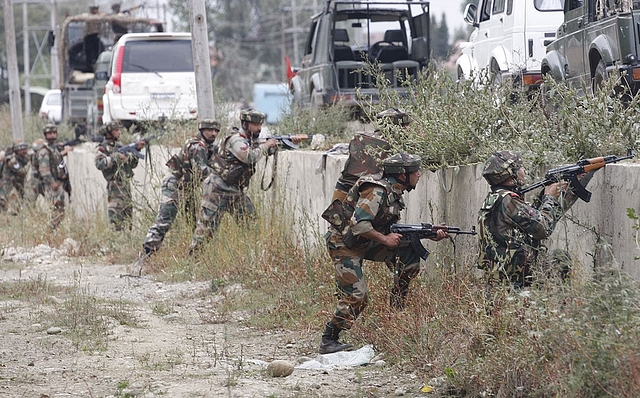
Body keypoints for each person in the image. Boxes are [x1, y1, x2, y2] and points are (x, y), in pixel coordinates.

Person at [318, 153, 448, 354]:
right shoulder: (376, 191)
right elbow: (358, 224)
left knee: (410, 253)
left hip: (365, 241)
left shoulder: (393, 192)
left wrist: (428, 233)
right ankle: (329, 338)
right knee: (358, 296)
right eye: (416, 171)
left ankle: (396, 309)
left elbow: (389, 227)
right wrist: (385, 240)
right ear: (403, 174)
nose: (420, 175)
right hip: (344, 243)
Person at [189, 108, 303, 253]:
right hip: (217, 189)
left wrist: (290, 142)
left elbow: (265, 150)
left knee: (251, 222)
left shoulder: (249, 141)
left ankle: (253, 256)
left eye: (260, 124)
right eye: (255, 124)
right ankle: (194, 259)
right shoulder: (236, 139)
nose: (259, 128)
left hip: (235, 190)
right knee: (206, 228)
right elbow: (249, 157)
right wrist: (267, 145)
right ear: (244, 124)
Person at [477, 150, 591, 288]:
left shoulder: (496, 198)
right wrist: (549, 197)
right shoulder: (508, 200)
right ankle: (562, 307)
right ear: (510, 173)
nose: (523, 170)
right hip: (515, 282)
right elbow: (542, 227)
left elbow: (535, 217)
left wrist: (574, 183)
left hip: (501, 279)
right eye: (520, 167)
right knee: (561, 259)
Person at [142, 119, 220, 256]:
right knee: (164, 220)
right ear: (202, 130)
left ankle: (196, 254)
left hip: (187, 187)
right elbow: (201, 171)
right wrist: (221, 173)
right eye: (210, 130)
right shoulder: (198, 147)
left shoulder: (208, 147)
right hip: (175, 186)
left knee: (194, 221)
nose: (213, 133)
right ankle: (146, 253)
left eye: (216, 131)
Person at [331, 107, 409, 202]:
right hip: (369, 196)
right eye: (406, 126)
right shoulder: (394, 145)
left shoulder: (363, 139)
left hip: (344, 191)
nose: (408, 130)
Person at [95, 121, 146, 231]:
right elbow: (100, 164)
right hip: (114, 189)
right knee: (116, 222)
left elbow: (132, 164)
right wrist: (115, 157)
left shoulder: (120, 146)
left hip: (125, 188)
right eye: (116, 130)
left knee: (128, 222)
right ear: (108, 133)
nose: (119, 132)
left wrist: (137, 149)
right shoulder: (102, 148)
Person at [34, 124, 74, 229]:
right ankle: (52, 230)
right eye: (49, 133)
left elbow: (57, 159)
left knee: (60, 209)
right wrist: (52, 183)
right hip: (53, 185)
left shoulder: (54, 148)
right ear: (45, 135)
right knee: (56, 209)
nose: (52, 135)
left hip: (60, 182)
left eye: (54, 133)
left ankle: (55, 229)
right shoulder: (44, 150)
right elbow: (44, 169)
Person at [0, 141, 30, 215]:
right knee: (11, 203)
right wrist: (30, 163)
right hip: (8, 185)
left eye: (25, 149)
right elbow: (22, 171)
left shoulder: (22, 157)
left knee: (18, 202)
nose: (24, 151)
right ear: (17, 150)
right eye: (22, 149)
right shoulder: (12, 160)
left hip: (17, 184)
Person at [84, 5, 104, 71]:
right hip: (89, 36)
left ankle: (96, 67)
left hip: (95, 36)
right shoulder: (88, 16)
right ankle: (88, 68)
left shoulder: (99, 16)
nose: (96, 10)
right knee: (88, 53)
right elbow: (84, 16)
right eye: (95, 9)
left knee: (96, 53)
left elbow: (104, 15)